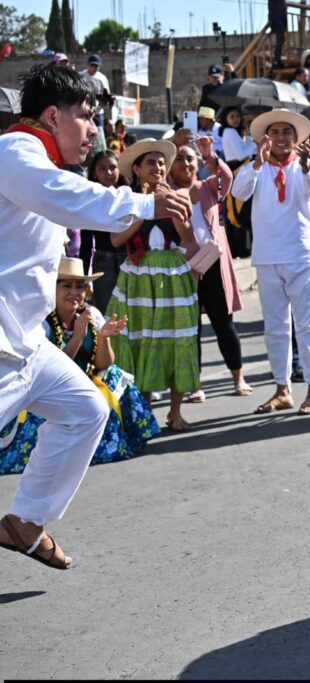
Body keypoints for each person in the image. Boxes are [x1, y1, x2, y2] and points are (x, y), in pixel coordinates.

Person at [0, 64, 190, 570]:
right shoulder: (15, 152)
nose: (93, 130)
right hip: (1, 344)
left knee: (86, 408)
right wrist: (146, 204)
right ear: (50, 115)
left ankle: (24, 523)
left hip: (23, 341)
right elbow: (71, 201)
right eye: (85, 117)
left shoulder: (37, 162)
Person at [0, 258, 159, 475]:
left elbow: (104, 363)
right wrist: (77, 337)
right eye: (66, 285)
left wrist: (103, 338)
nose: (75, 292)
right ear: (51, 288)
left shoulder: (91, 314)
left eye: (80, 286)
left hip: (86, 379)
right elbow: (51, 367)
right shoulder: (40, 321)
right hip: (47, 385)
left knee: (114, 376)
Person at [231, 109, 310, 415]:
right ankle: (282, 389)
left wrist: (305, 164)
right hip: (268, 257)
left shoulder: (306, 166)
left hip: (301, 255)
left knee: (309, 326)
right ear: (266, 139)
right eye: (275, 133)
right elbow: (238, 192)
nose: (281, 138)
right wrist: (258, 163)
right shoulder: (256, 168)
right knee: (275, 328)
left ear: (297, 138)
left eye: (287, 132)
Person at [107, 139, 201, 433]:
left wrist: (169, 205)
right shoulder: (128, 198)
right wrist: (147, 207)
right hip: (138, 276)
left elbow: (189, 240)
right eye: (151, 162)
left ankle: (175, 413)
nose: (158, 167)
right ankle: (143, 411)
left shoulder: (175, 195)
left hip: (173, 275)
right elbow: (116, 240)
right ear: (137, 169)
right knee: (139, 339)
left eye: (161, 162)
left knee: (176, 339)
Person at [168, 137, 252, 400]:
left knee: (224, 324)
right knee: (189, 328)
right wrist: (171, 144)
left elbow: (226, 177)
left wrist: (209, 154)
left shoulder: (208, 187)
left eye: (189, 159)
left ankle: (238, 378)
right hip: (183, 269)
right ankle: (195, 385)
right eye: (178, 159)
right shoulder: (166, 193)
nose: (185, 164)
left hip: (214, 265)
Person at [80, 150, 128, 312]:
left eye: (113, 167)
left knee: (130, 313)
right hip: (103, 262)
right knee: (106, 312)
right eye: (102, 168)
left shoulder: (128, 196)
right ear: (94, 172)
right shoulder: (91, 199)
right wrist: (83, 277)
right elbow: (86, 241)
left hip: (130, 259)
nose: (108, 172)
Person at [79, 54, 110, 131]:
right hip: (83, 113)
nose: (94, 68)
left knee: (98, 134)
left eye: (96, 66)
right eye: (92, 65)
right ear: (88, 64)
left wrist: (98, 105)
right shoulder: (81, 76)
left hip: (97, 113)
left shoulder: (102, 79)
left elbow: (106, 97)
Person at [269, 0, 288, 68]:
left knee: (281, 40)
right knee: (280, 41)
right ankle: (277, 60)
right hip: (277, 21)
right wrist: (271, 23)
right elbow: (271, 9)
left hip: (281, 21)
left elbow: (284, 10)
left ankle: (277, 60)